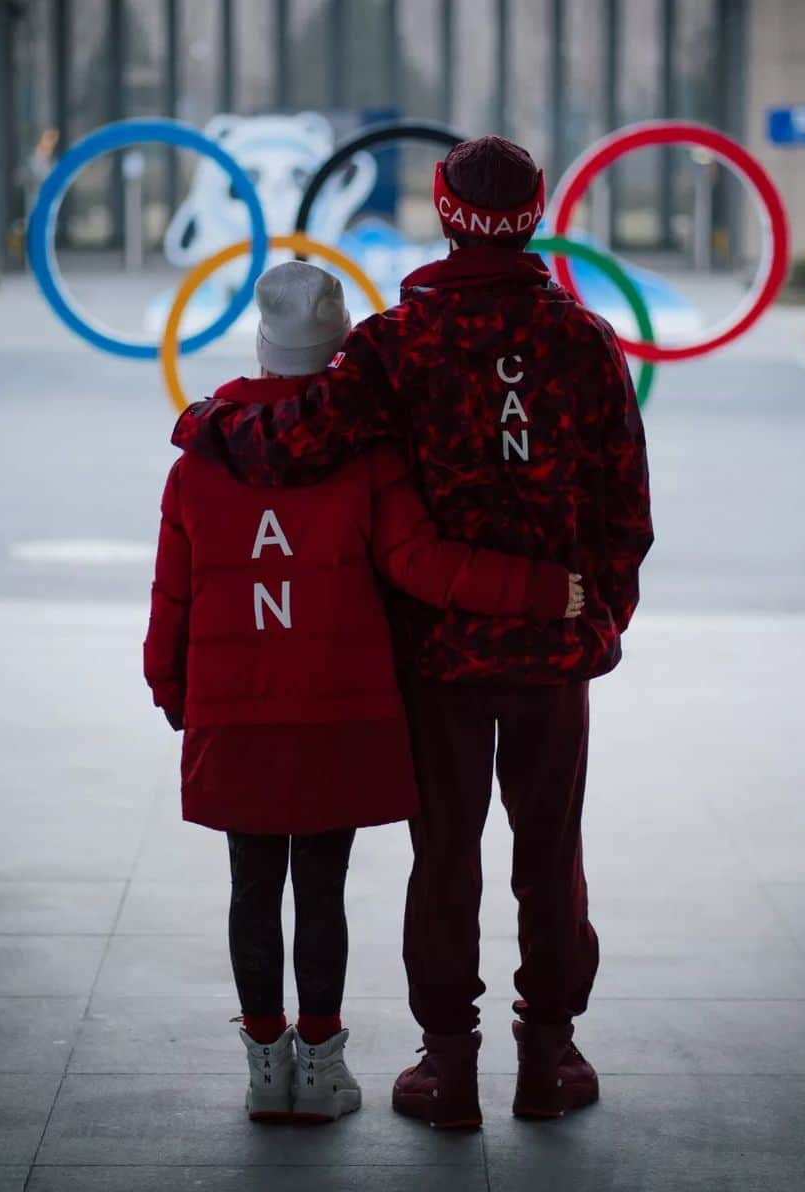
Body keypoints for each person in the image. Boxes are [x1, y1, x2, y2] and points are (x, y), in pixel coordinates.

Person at [171, 135, 653, 1127]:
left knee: (447, 857)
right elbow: (627, 510)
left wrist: (206, 422)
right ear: (535, 214)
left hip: (436, 658)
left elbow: (296, 441)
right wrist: (597, 616)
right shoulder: (588, 343)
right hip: (553, 655)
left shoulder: (396, 344)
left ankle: (448, 1065)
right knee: (549, 852)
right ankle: (550, 1054)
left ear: (442, 209)